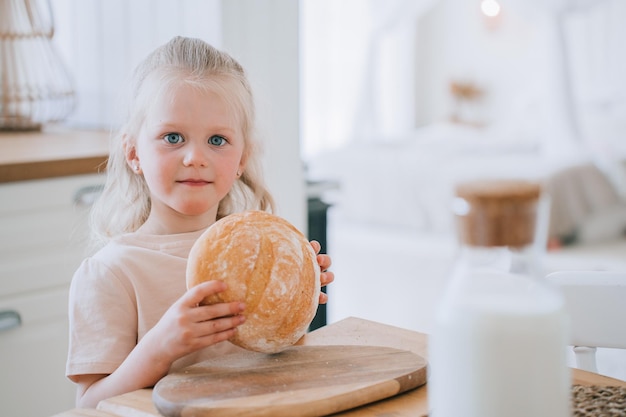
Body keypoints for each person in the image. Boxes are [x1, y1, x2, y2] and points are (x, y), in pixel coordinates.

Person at [66, 36, 334, 408]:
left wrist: (292, 305)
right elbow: (89, 405)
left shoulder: (259, 255)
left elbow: (274, 368)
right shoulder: (111, 274)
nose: (195, 156)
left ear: (243, 157)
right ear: (133, 152)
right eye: (172, 137)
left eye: (217, 140)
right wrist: (160, 348)